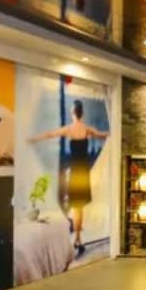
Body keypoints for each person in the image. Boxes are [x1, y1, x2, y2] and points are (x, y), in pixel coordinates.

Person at [29, 100, 108, 255]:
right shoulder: (86, 129)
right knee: (79, 207)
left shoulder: (70, 129)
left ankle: (75, 238)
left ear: (73, 113)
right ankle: (77, 238)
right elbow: (102, 134)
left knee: (74, 206)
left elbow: (51, 134)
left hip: (75, 172)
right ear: (82, 113)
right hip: (83, 173)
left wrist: (34, 139)